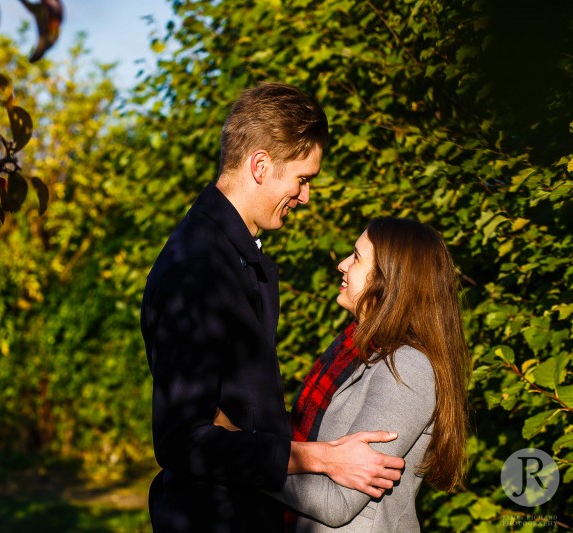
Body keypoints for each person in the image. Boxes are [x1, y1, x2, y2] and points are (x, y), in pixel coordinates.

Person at [141, 83, 406, 533]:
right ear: (260, 166)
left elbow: (234, 406)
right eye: (302, 179)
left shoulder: (246, 259)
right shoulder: (198, 269)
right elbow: (181, 438)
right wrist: (320, 459)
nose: (306, 197)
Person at [218, 217, 471, 531]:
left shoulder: (406, 367)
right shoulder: (352, 351)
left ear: (390, 279)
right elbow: (303, 437)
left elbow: (336, 502)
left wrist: (240, 453)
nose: (341, 264)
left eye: (356, 257)